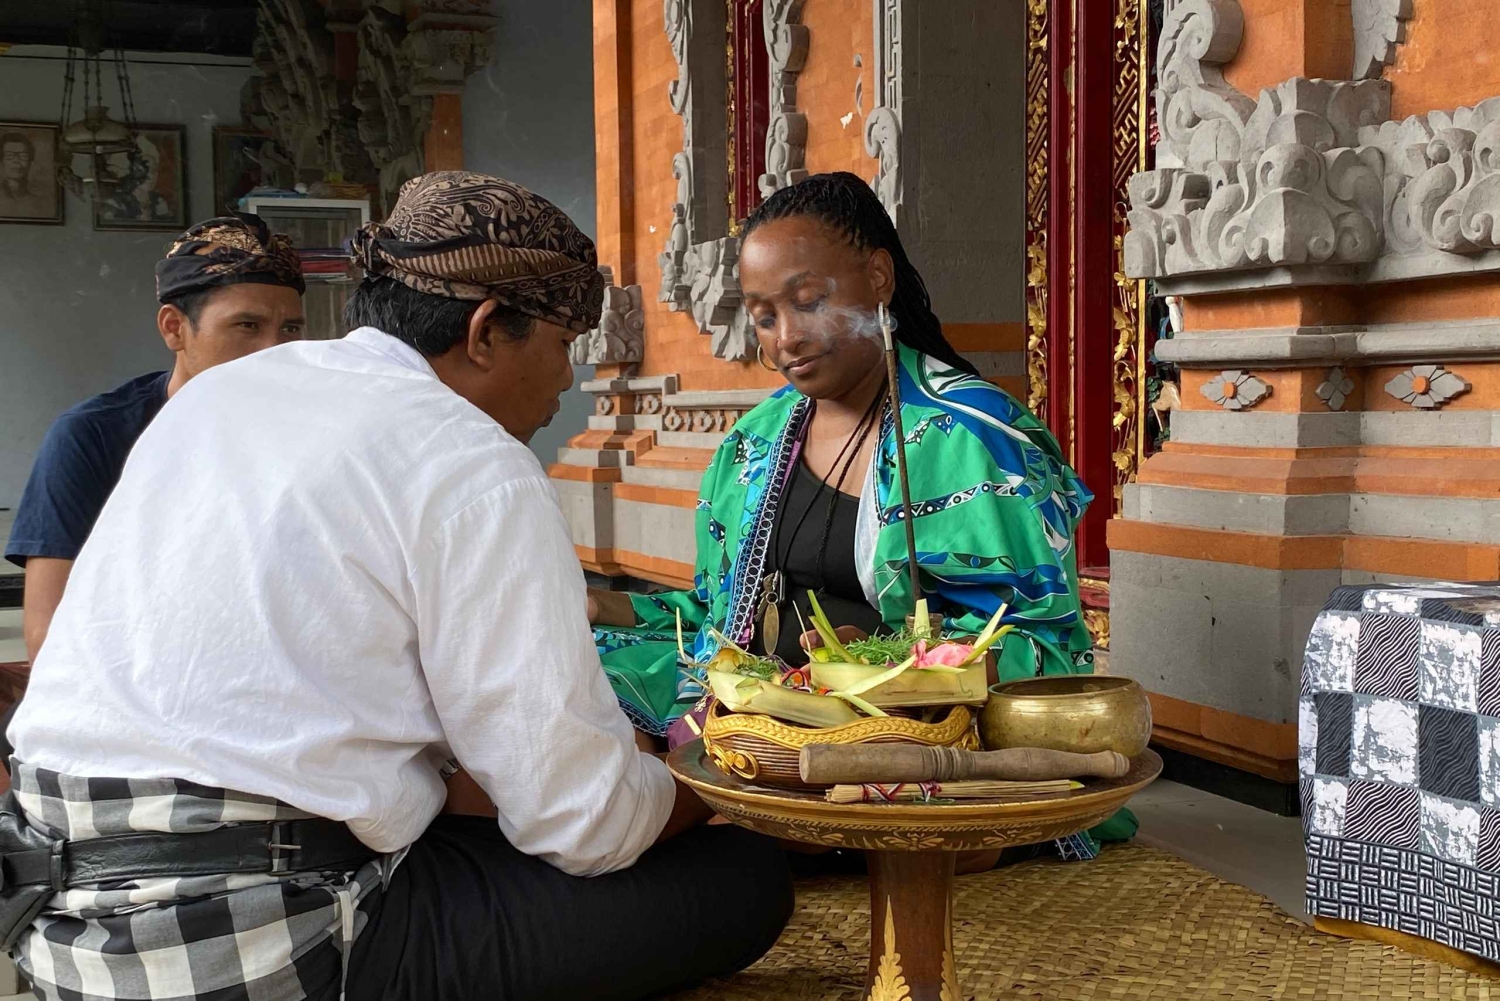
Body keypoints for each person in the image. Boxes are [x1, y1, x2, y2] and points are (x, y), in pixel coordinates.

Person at [1, 171, 791, 1001]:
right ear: (487, 330)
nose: (567, 384)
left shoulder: (219, 398)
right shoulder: (475, 460)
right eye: (564, 345)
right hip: (248, 934)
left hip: (59, 922)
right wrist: (712, 770)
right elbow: (582, 821)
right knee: (739, 878)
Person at [588, 171, 1132, 856]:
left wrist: (881, 663)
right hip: (764, 712)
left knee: (738, 776)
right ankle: (710, 817)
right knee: (581, 690)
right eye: (762, 316)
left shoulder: (973, 437)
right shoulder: (752, 445)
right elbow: (712, 622)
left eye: (808, 301)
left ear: (878, 278)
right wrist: (593, 607)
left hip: (905, 726)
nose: (785, 336)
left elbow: (1044, 648)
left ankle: (698, 828)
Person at [3, 214, 307, 663]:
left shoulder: (312, 434)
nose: (274, 351)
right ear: (174, 328)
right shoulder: (94, 436)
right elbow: (47, 637)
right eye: (246, 326)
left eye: (292, 329)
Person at [0, 132, 47, 217]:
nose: (16, 161)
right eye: (9, 156)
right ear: (1, 161)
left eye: (23, 156)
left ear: (31, 162)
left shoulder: (40, 202)